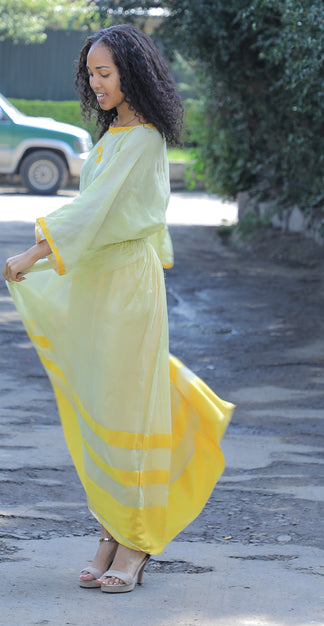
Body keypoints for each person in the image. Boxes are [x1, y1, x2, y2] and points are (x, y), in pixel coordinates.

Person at [2, 24, 234, 594]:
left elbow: (97, 211)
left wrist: (33, 253)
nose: (95, 82)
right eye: (90, 73)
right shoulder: (111, 136)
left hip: (128, 288)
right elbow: (93, 211)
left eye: (104, 73)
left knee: (129, 410)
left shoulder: (146, 138)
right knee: (102, 406)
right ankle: (109, 528)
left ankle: (134, 542)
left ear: (131, 74)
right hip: (101, 284)